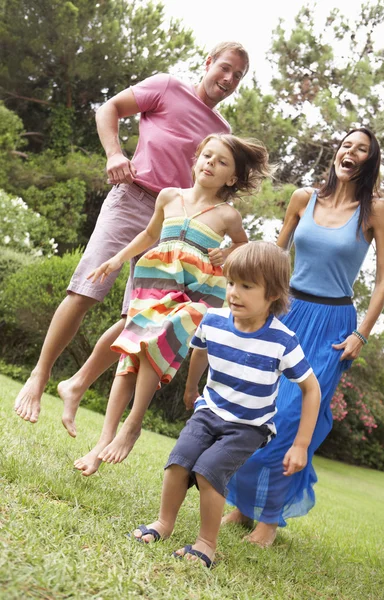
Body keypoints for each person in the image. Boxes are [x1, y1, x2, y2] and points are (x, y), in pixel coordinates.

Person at [13, 41, 250, 432]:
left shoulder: (223, 132)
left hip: (175, 224)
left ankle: (77, 384)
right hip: (132, 198)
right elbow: (108, 108)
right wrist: (113, 154)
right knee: (87, 286)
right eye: (225, 68)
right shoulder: (166, 87)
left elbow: (221, 193)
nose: (228, 79)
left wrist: (224, 245)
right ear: (207, 63)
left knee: (140, 320)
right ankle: (39, 376)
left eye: (237, 76)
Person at [223, 127, 384, 547]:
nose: (350, 152)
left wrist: (362, 333)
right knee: (258, 408)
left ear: (369, 162)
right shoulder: (304, 198)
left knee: (296, 417)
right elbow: (275, 257)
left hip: (334, 325)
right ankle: (243, 507)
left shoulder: (376, 210)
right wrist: (240, 274)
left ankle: (268, 519)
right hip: (287, 312)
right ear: (336, 154)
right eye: (346, 145)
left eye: (361, 149)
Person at [73, 134, 271, 476]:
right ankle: (101, 443)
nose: (210, 163)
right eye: (207, 155)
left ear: (232, 178)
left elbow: (242, 246)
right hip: (154, 284)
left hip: (196, 294)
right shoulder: (169, 197)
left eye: (221, 162)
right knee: (130, 355)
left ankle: (132, 426)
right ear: (196, 161)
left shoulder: (227, 215)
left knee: (161, 335)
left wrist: (227, 253)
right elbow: (149, 235)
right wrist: (117, 259)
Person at [130, 242, 321, 568]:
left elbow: (311, 389)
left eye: (247, 286)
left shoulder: (282, 340)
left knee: (209, 470)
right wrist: (192, 388)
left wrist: (301, 444)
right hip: (210, 410)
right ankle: (164, 523)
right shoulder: (214, 321)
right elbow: (200, 351)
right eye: (231, 282)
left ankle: (206, 544)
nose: (234, 292)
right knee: (179, 461)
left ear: (272, 294)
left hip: (250, 425)